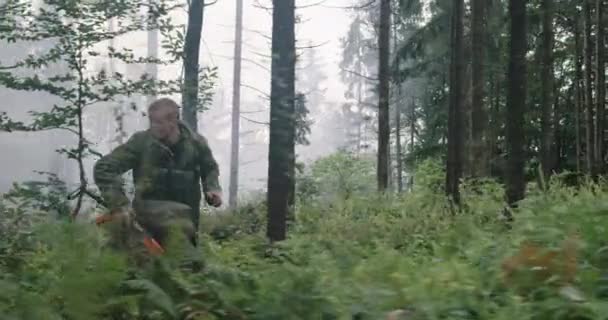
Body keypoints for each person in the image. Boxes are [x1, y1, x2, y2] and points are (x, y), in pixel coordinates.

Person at [93, 97, 222, 248]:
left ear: (174, 121)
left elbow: (210, 168)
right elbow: (105, 167)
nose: (154, 127)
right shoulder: (142, 142)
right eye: (152, 121)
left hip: (184, 224)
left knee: (185, 267)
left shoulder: (196, 143)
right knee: (140, 264)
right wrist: (119, 204)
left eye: (159, 122)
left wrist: (212, 189)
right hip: (146, 223)